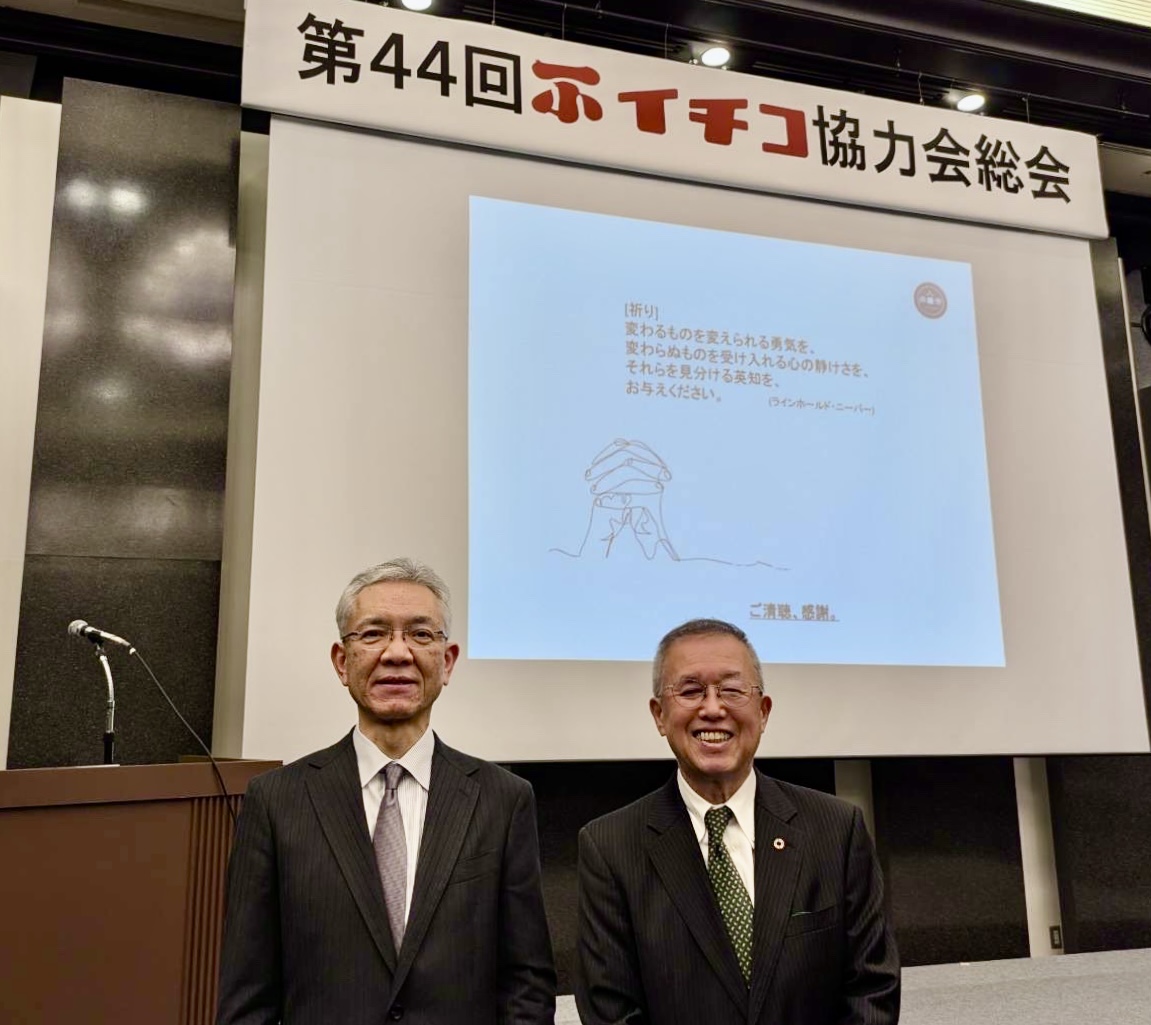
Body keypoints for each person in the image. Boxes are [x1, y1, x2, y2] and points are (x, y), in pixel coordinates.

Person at [217, 558, 556, 1025]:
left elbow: (527, 986)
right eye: (374, 633)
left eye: (420, 634)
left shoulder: (503, 800)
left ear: (447, 661)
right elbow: (247, 994)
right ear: (342, 662)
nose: (397, 653)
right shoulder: (276, 801)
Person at [575, 618, 899, 1025]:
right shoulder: (610, 848)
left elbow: (872, 991)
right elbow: (611, 1010)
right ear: (659, 715)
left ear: (763, 712)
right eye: (690, 691)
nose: (713, 709)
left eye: (731, 690)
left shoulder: (836, 829)